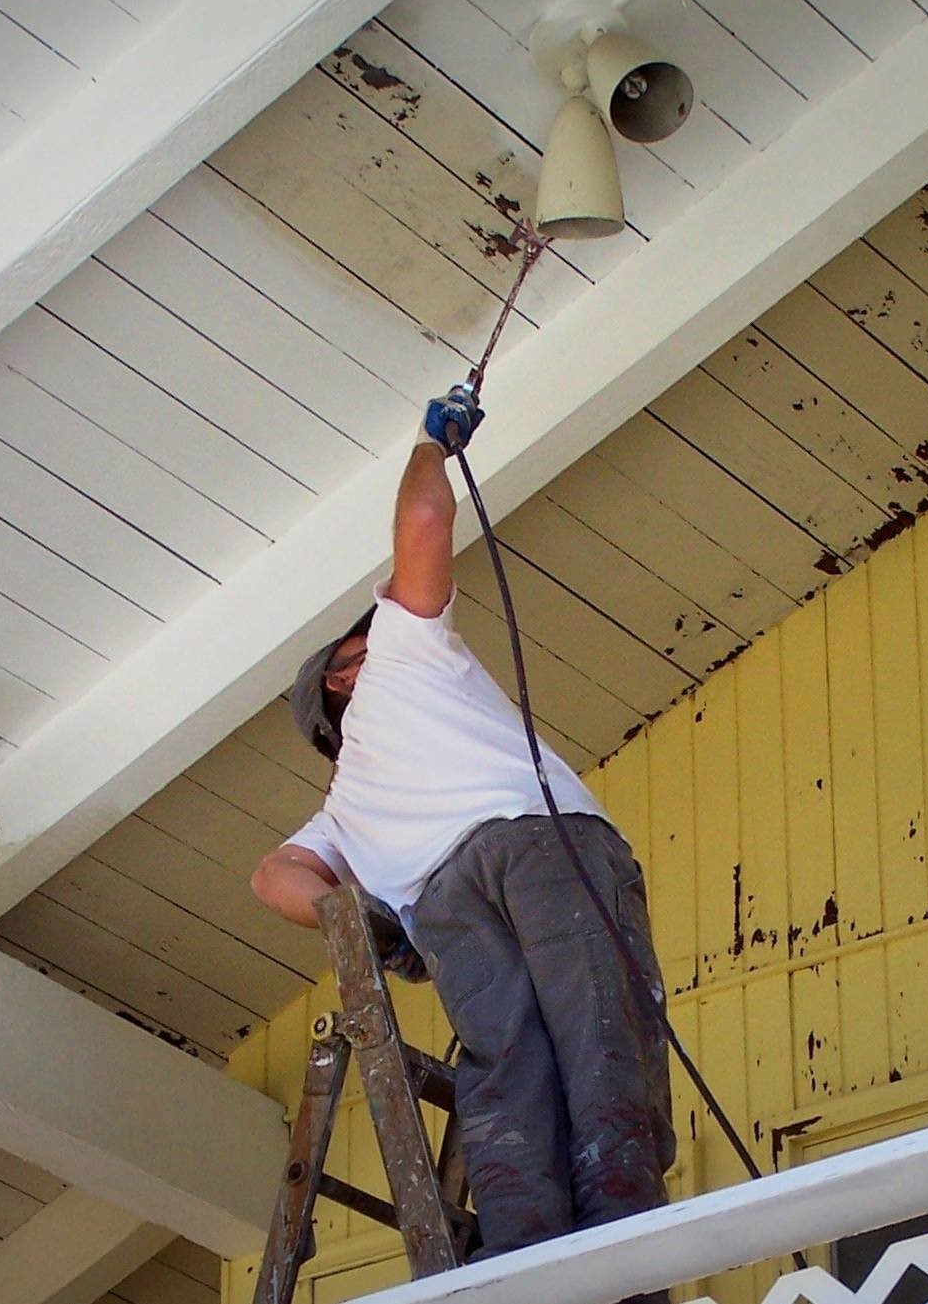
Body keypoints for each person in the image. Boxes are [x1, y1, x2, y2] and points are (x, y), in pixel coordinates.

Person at [250, 385, 675, 1292]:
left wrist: (364, 924)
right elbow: (423, 521)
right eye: (358, 642)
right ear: (341, 677)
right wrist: (429, 443)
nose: (374, 632)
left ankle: (526, 1262)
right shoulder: (397, 657)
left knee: (509, 1068)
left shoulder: (342, 811)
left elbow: (274, 876)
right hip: (539, 850)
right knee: (600, 1031)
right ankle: (626, 1258)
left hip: (444, 908)